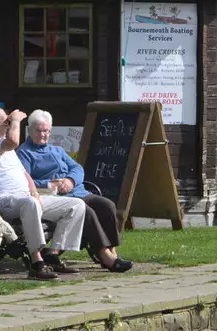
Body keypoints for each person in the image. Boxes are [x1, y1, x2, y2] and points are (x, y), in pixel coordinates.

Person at [0, 106, 88, 280]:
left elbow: (25, 174)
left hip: (25, 199)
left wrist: (34, 192)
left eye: (10, 122)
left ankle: (52, 256)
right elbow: (13, 141)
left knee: (76, 205)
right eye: (6, 123)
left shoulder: (4, 148)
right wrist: (16, 120)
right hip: (0, 201)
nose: (9, 126)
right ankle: (37, 263)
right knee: (30, 204)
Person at [18, 110, 133, 273]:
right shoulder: (24, 152)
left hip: (78, 191)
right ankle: (105, 256)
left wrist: (70, 181)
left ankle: (112, 251)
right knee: (88, 212)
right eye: (39, 130)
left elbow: (77, 167)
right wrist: (49, 183)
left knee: (107, 206)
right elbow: (25, 181)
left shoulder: (56, 150)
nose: (43, 135)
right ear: (30, 130)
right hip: (57, 199)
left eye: (47, 131)